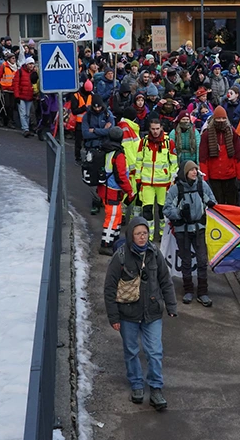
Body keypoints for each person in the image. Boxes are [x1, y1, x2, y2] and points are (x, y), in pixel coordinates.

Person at [103, 217, 177, 410]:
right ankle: (136, 384)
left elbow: (165, 281)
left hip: (152, 313)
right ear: (131, 236)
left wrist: (171, 306)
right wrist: (114, 317)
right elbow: (109, 288)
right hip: (128, 314)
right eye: (138, 234)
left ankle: (156, 388)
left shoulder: (155, 254)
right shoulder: (119, 257)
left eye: (145, 233)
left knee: (154, 352)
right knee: (131, 351)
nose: (142, 237)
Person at [163, 160, 217, 306]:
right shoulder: (176, 189)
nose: (195, 172)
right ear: (185, 172)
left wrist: (211, 205)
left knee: (201, 261)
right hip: (183, 231)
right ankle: (188, 291)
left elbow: (212, 201)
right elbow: (167, 209)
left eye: (196, 169)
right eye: (192, 170)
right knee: (186, 261)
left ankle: (203, 292)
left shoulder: (201, 185)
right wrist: (180, 213)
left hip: (199, 229)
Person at [136, 118, 179, 239]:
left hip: (163, 183)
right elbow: (138, 161)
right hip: (146, 182)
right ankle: (148, 236)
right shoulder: (143, 142)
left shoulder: (168, 142)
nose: (155, 131)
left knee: (162, 211)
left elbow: (174, 164)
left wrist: (172, 180)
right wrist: (138, 179)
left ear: (161, 128)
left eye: (157, 129)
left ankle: (162, 234)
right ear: (149, 129)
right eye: (153, 129)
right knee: (147, 209)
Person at [97, 127, 136, 255]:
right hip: (112, 190)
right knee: (113, 217)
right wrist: (129, 190)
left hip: (106, 188)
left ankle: (113, 240)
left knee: (116, 215)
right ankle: (106, 244)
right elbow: (121, 176)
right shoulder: (118, 154)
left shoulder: (106, 150)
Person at [199, 107, 240, 205]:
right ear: (214, 119)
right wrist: (205, 179)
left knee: (232, 205)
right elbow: (203, 158)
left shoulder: (233, 133)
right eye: (218, 118)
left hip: (231, 176)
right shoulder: (206, 135)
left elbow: (238, 156)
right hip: (214, 177)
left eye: (223, 118)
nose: (221, 121)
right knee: (217, 205)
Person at [13, 57, 39, 138]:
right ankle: (25, 129)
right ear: (27, 64)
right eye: (30, 64)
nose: (31, 66)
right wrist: (17, 96)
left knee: (28, 114)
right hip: (21, 96)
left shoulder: (34, 73)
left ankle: (26, 128)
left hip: (30, 96)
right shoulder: (20, 72)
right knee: (23, 113)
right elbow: (16, 84)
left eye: (32, 64)